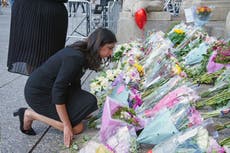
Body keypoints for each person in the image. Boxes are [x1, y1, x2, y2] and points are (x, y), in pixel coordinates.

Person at [13, 28, 117, 148]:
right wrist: (67, 125)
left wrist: (80, 107)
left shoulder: (83, 52)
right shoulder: (76, 57)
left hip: (50, 89)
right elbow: (58, 91)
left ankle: (67, 116)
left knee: (89, 102)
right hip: (39, 94)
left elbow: (74, 80)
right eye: (110, 48)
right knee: (77, 128)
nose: (111, 53)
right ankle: (29, 114)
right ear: (99, 45)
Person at [7, 0, 68, 75]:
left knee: (36, 55)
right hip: (39, 9)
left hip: (44, 9)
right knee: (32, 56)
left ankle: (37, 83)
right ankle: (37, 84)